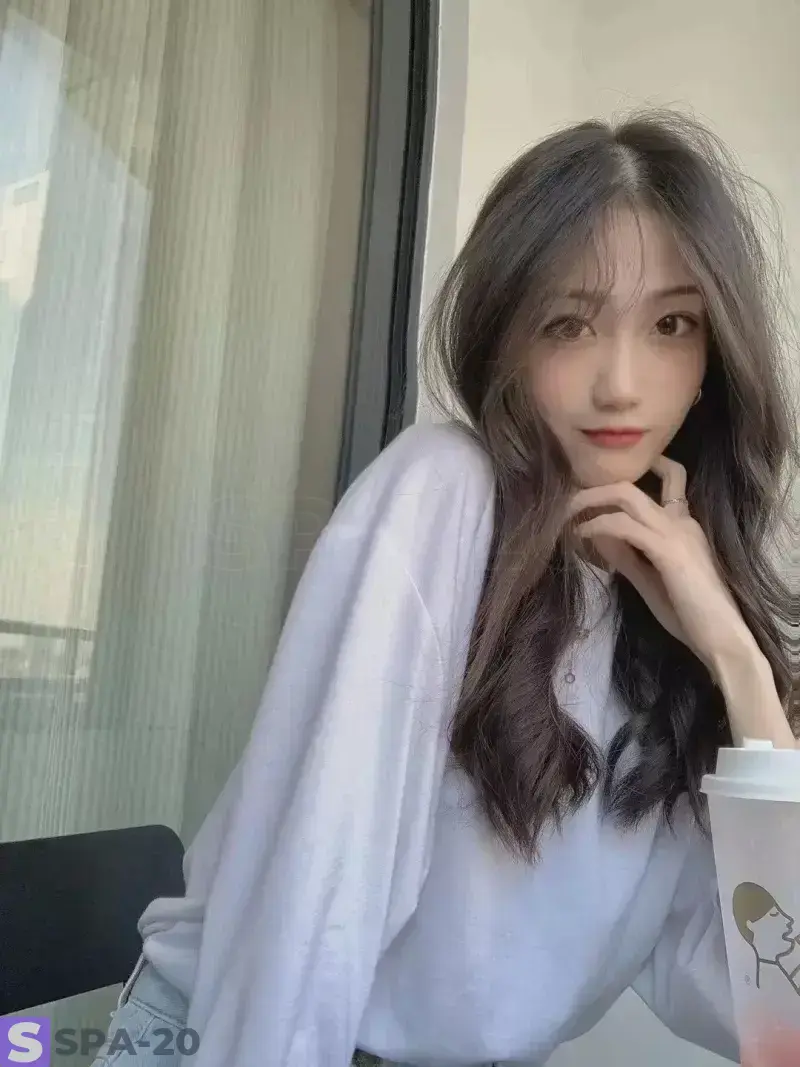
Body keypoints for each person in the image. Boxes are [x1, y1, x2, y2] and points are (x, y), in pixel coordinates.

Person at [91, 110, 798, 1067]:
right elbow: (313, 911)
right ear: (509, 338)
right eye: (570, 322)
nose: (622, 384)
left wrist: (737, 665)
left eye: (672, 324)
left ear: (714, 357)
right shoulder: (445, 494)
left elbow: (777, 1016)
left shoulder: (671, 619)